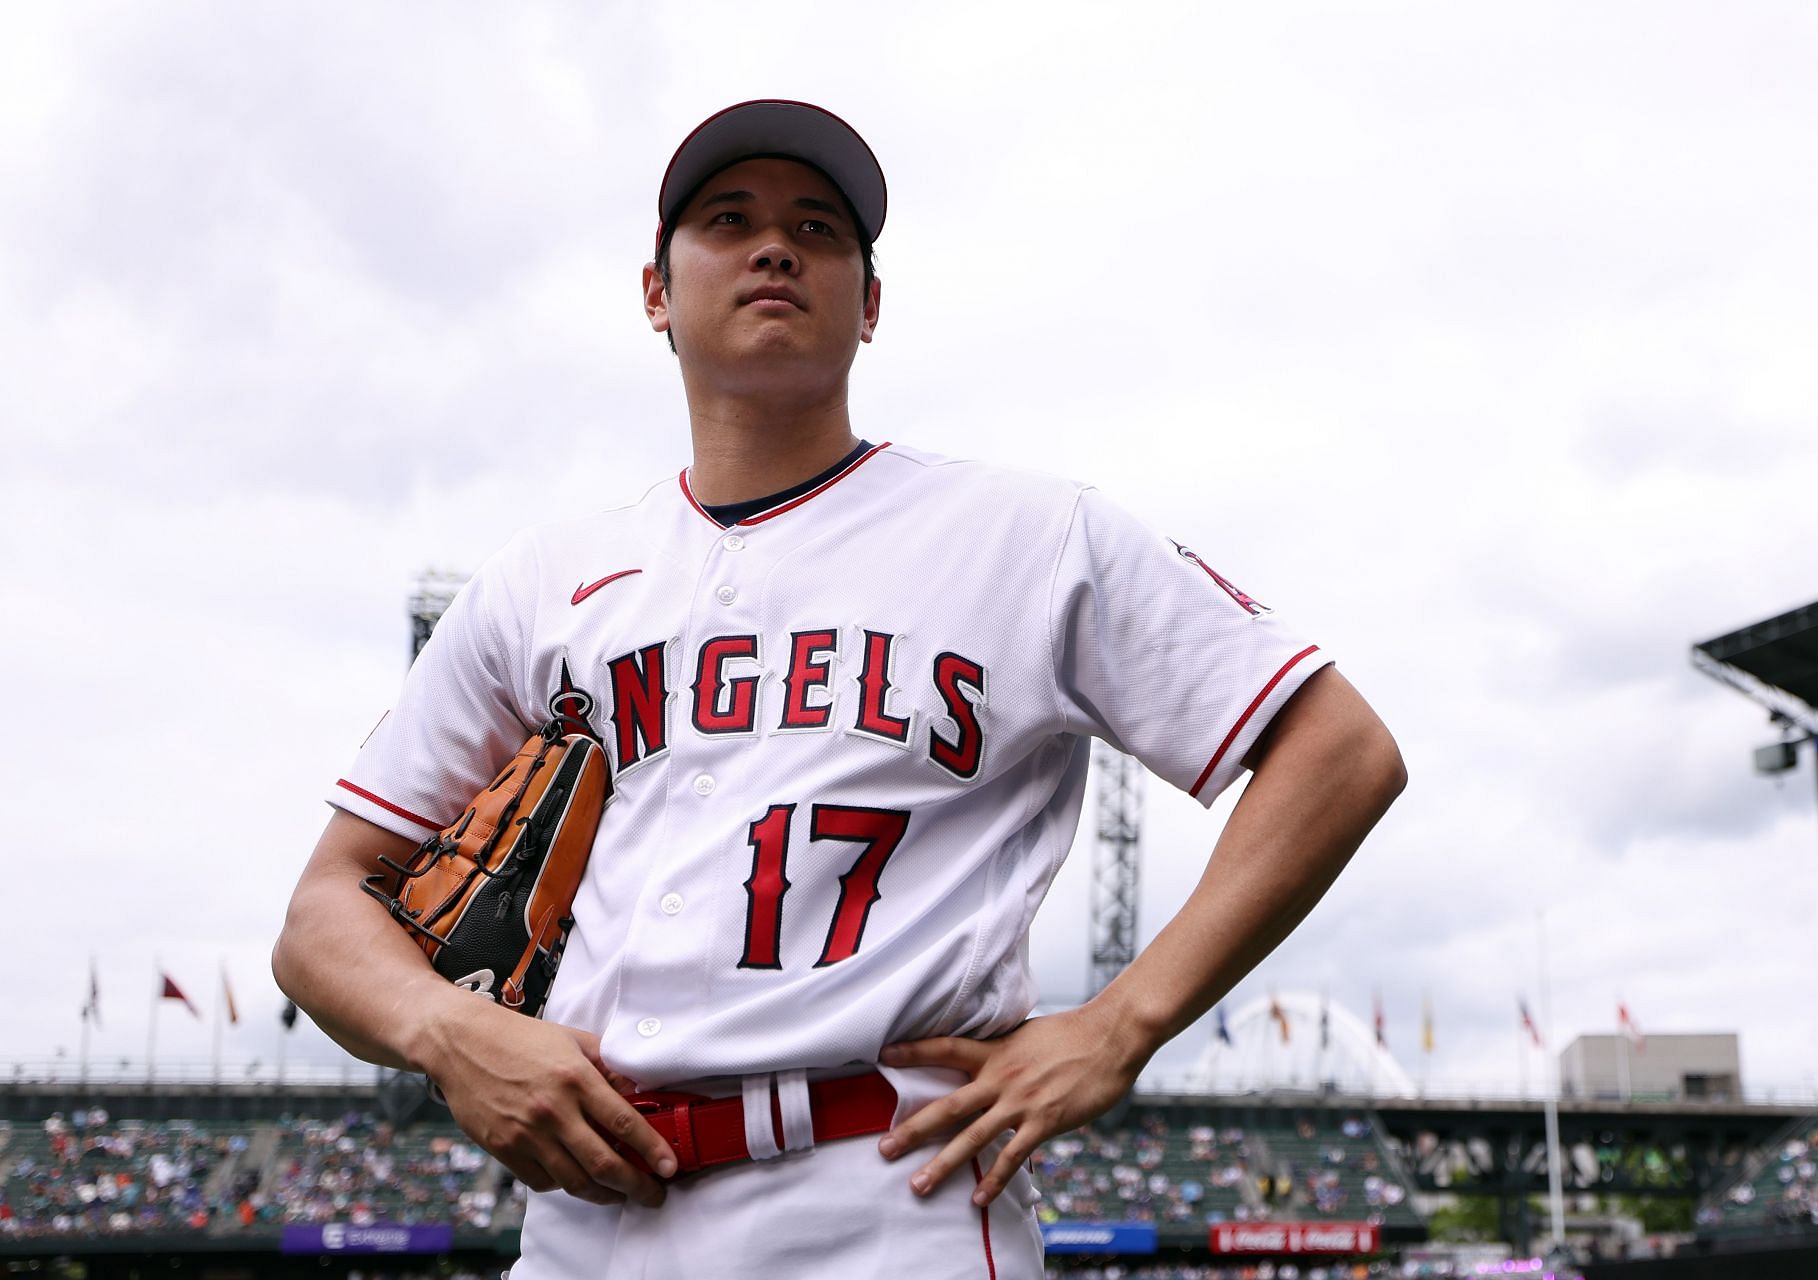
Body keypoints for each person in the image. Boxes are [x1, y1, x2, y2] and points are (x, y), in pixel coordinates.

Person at [274, 99, 1406, 1278]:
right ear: (656, 293)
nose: (776, 246)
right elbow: (322, 914)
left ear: (869, 307)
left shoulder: (1025, 534)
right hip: (588, 1222)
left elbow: (1338, 746)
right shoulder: (541, 582)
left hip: (882, 1194)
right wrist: (447, 1027)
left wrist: (1125, 1021)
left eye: (819, 228)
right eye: (729, 219)